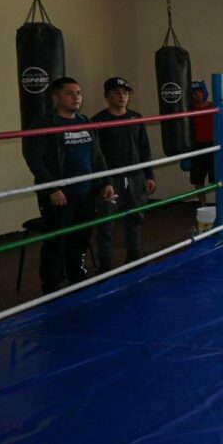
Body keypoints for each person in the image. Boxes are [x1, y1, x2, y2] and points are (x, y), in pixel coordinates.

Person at [22, 77, 116, 293]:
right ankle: (52, 283)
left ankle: (75, 273)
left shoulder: (84, 121)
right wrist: (52, 187)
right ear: (56, 97)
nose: (76, 97)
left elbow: (97, 155)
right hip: (59, 193)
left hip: (85, 191)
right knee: (56, 239)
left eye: (79, 93)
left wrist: (105, 182)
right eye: (69, 93)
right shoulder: (44, 124)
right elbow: (33, 158)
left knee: (81, 236)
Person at [92, 77, 156, 270]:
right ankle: (105, 265)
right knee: (107, 223)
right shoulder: (98, 121)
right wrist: (104, 181)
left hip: (135, 177)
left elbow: (144, 147)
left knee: (135, 219)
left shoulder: (136, 117)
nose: (122, 96)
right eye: (117, 93)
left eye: (125, 93)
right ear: (107, 96)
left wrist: (149, 174)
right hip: (111, 179)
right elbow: (97, 154)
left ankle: (134, 257)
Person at [187, 80, 215, 205]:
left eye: (199, 91)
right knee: (198, 180)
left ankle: (219, 206)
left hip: (213, 146)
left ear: (204, 92)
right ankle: (202, 206)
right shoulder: (189, 110)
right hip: (196, 147)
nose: (197, 95)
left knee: (217, 179)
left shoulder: (214, 107)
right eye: (194, 92)